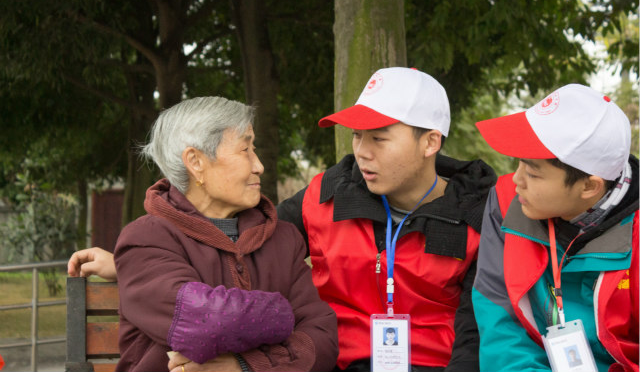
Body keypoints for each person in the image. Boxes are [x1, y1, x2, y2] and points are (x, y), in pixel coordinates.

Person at [69, 67, 497, 371]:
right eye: (357, 136)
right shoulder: (326, 195)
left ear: (431, 142)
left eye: (380, 139)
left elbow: (475, 337)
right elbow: (241, 246)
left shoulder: (481, 216)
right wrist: (126, 262)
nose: (362, 151)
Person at [74, 96, 338, 372]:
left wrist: (245, 367)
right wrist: (280, 312)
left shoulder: (283, 238)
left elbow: (323, 340)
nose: (258, 165)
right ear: (196, 161)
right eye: (245, 149)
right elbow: (204, 323)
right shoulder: (144, 239)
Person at [472, 84, 638, 372]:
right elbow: (497, 315)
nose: (516, 180)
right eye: (519, 163)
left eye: (534, 172)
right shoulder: (505, 202)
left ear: (589, 186)